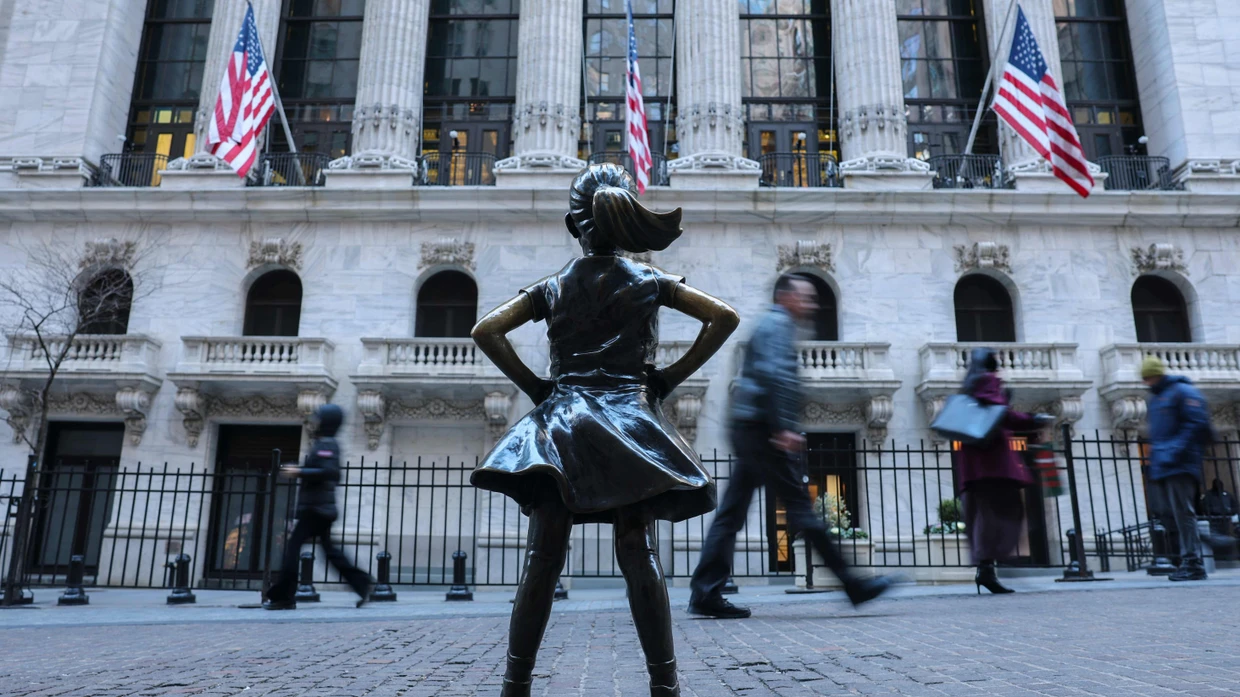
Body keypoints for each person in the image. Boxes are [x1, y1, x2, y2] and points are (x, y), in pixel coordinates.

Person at [470, 163, 739, 697]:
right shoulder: (648, 280)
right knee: (639, 554)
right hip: (630, 422)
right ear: (627, 219)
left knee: (542, 559)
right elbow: (724, 317)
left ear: (574, 224)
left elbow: (487, 329)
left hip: (563, 423)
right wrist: (668, 378)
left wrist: (537, 387)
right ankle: (665, 684)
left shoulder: (553, 286)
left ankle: (515, 684)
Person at [687, 274, 896, 619]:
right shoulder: (777, 325)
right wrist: (784, 426)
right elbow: (777, 375)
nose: (812, 304)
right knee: (800, 508)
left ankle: (706, 591)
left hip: (751, 427)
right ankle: (853, 585)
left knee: (732, 514)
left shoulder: (772, 325)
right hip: (763, 430)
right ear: (785, 297)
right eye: (806, 297)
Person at [955, 347, 1055, 594]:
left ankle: (986, 570)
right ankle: (991, 566)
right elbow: (1001, 414)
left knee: (985, 517)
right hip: (992, 465)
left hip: (975, 468)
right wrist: (1032, 420)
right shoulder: (987, 381)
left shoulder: (970, 386)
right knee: (1006, 514)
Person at [263, 404, 374, 609]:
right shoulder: (325, 443)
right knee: (330, 552)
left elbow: (329, 472)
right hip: (320, 508)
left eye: (319, 418)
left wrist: (299, 472)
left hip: (316, 509)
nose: (315, 422)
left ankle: (283, 596)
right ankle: (361, 582)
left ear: (327, 422)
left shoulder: (327, 444)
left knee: (292, 549)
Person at [1142, 355, 1213, 581]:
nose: (1146, 382)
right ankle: (1203, 546)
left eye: (1148, 377)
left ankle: (1193, 562)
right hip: (1163, 464)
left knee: (1183, 512)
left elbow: (1197, 424)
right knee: (1167, 513)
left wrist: (1174, 449)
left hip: (1180, 463)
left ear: (1156, 374)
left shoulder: (1182, 391)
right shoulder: (1157, 398)